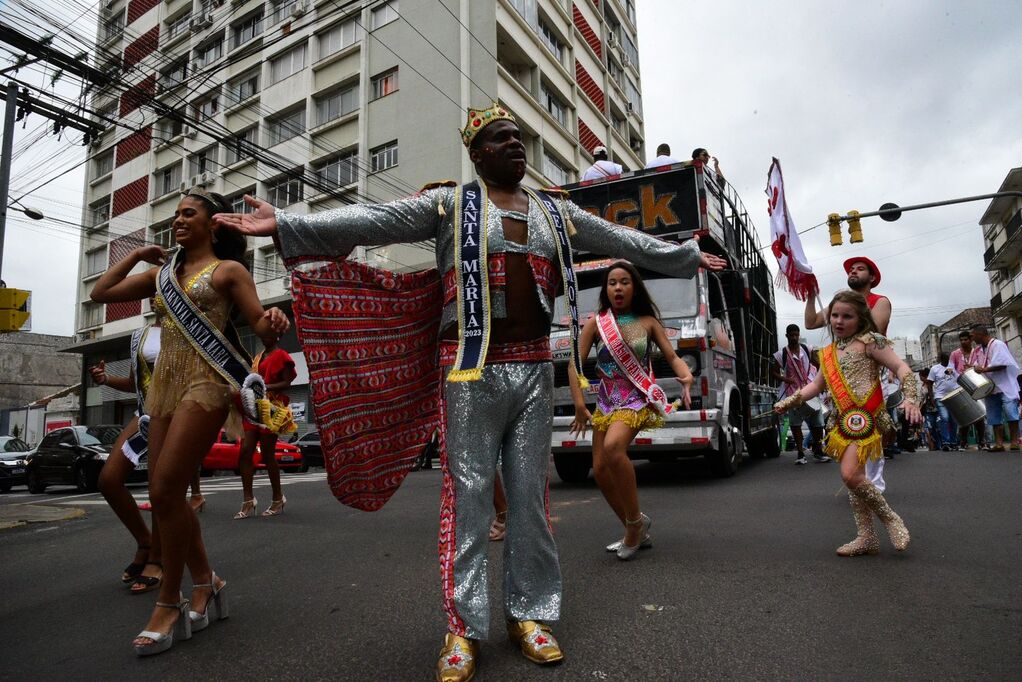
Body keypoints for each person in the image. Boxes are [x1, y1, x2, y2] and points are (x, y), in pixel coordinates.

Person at [213, 103, 727, 681]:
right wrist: (287, 224)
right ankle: (462, 627)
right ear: (477, 154)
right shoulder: (448, 206)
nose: (516, 144)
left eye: (519, 137)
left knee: (529, 499)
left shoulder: (555, 212)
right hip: (468, 370)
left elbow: (621, 237)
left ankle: (530, 615)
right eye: (502, 138)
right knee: (470, 499)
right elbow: (372, 219)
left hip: (532, 369)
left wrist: (685, 255)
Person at [91, 188, 289, 656]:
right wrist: (137, 254)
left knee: (164, 490)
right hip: (164, 386)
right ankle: (207, 581)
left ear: (213, 224)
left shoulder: (228, 270)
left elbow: (260, 324)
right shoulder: (163, 276)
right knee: (166, 495)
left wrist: (275, 319)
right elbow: (102, 294)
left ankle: (168, 602)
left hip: (207, 383)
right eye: (176, 214)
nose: (178, 220)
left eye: (188, 213)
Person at [774, 290, 921, 557]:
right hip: (843, 422)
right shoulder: (829, 352)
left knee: (850, 475)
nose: (839, 321)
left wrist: (911, 398)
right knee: (856, 480)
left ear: (861, 318)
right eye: (835, 316)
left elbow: (902, 368)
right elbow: (816, 385)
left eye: (847, 316)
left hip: (868, 418)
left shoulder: (871, 342)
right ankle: (867, 537)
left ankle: (890, 518)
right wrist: (789, 402)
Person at [568, 261, 693, 560]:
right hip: (605, 402)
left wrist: (686, 375)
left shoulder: (648, 322)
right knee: (600, 471)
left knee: (613, 447)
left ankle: (634, 526)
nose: (618, 288)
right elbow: (575, 363)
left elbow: (672, 356)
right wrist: (579, 404)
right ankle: (635, 526)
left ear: (634, 287)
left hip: (635, 398)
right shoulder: (597, 323)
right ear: (606, 290)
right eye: (612, 283)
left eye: (624, 282)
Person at [89, 329, 165, 595]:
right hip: (145, 413)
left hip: (176, 413)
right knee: (108, 480)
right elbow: (136, 383)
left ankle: (158, 558)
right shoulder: (141, 335)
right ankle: (145, 541)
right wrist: (106, 379)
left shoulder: (188, 326)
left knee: (159, 488)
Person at [805, 257, 891, 487]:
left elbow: (872, 334)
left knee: (868, 427)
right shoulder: (842, 304)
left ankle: (873, 486)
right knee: (849, 428)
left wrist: (849, 312)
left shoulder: (880, 302)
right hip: (842, 376)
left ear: (872, 277)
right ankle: (858, 482)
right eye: (851, 269)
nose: (853, 272)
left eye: (859, 269)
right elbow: (811, 322)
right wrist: (811, 295)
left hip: (868, 374)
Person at [234, 337, 297, 518]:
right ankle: (248, 500)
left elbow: (287, 383)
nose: (262, 335)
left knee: (267, 454)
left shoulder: (281, 355)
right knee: (245, 451)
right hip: (253, 408)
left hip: (271, 408)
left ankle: (278, 498)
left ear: (276, 334)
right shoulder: (258, 356)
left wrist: (264, 387)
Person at [770, 324, 827, 464]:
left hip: (810, 391)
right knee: (795, 425)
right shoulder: (781, 354)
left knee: (818, 424)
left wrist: (820, 382)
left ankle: (818, 451)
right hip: (793, 394)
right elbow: (773, 372)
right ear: (787, 336)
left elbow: (819, 364)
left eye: (796, 335)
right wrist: (786, 379)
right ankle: (801, 454)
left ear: (799, 334)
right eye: (792, 335)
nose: (794, 337)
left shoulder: (807, 349)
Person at [969, 324, 1022, 451]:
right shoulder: (979, 350)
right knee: (994, 417)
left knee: (1011, 414)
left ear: (980, 334)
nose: (972, 339)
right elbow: (978, 365)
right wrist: (974, 368)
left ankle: (1014, 442)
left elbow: (1003, 364)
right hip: (990, 388)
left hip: (1004, 387)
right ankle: (999, 444)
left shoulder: (998, 344)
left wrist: (983, 369)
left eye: (973, 336)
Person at [948, 331, 979, 449]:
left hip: (976, 385)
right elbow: (950, 367)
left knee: (979, 414)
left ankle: (982, 441)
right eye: (961, 340)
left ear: (970, 340)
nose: (963, 342)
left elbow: (981, 364)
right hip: (961, 386)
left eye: (965, 339)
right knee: (964, 415)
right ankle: (963, 442)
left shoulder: (977, 351)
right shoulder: (955, 354)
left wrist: (973, 368)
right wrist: (951, 371)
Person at [927, 352, 959, 450]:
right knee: (944, 418)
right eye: (944, 359)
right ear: (940, 359)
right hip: (940, 397)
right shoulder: (934, 369)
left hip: (953, 396)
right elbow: (929, 383)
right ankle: (946, 442)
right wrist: (932, 397)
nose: (946, 360)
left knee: (953, 420)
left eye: (947, 358)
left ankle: (953, 442)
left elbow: (959, 378)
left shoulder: (953, 366)